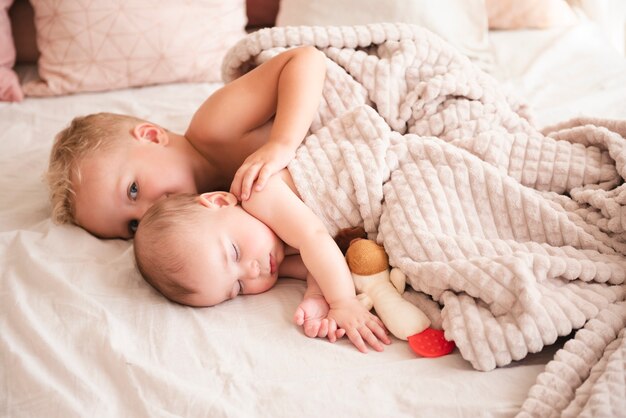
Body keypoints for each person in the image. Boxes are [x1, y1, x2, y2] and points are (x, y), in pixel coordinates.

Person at [46, 46, 327, 239]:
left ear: (151, 136)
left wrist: (281, 143)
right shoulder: (221, 212)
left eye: (133, 190)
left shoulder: (214, 127)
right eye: (132, 227)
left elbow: (305, 59)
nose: (147, 214)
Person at [134, 168, 392, 354]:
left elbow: (315, 240)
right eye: (238, 287)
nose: (252, 271)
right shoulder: (270, 259)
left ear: (219, 201)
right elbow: (315, 265)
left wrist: (343, 301)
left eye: (234, 252)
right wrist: (316, 296)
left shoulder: (259, 194)